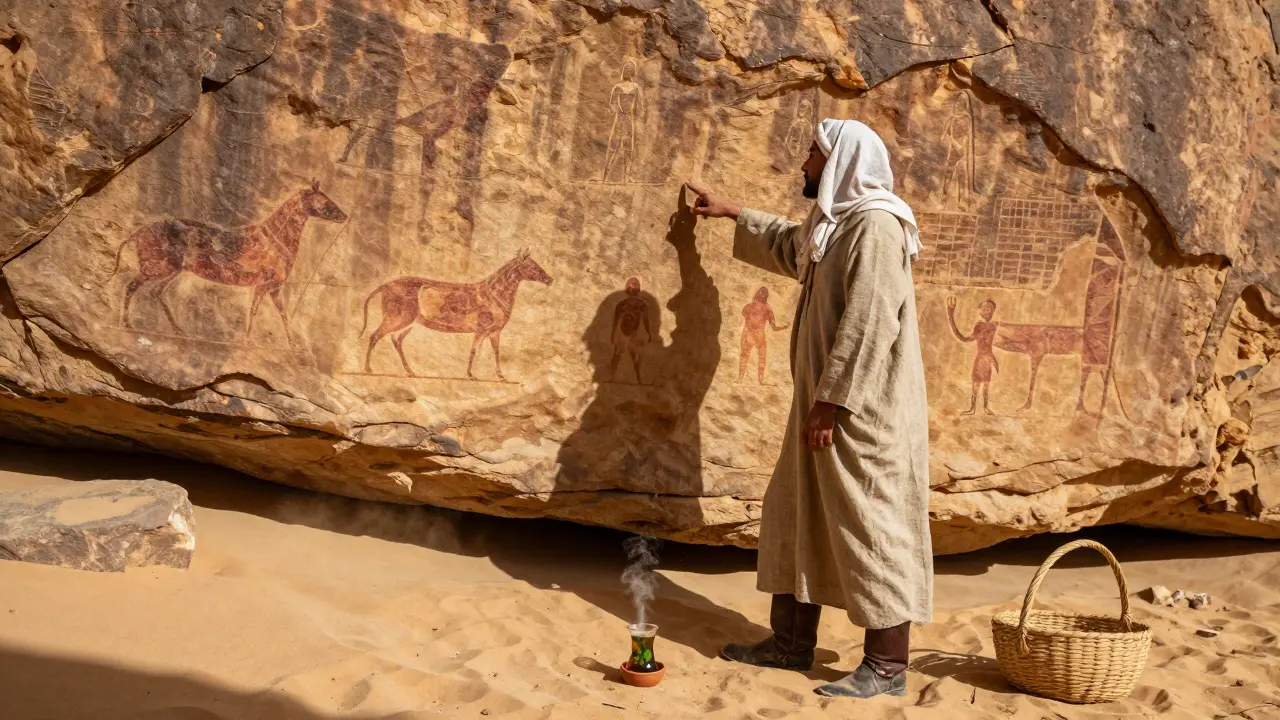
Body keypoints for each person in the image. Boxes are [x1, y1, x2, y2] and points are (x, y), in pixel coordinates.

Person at [686, 118, 933, 700]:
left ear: (841, 160)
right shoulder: (836, 224)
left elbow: (871, 321)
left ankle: (888, 666)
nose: (803, 163)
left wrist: (832, 402)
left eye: (813, 154)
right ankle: (790, 645)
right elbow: (790, 247)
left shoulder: (875, 226)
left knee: (871, 523)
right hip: (823, 407)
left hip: (857, 413)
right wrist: (731, 212)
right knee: (796, 512)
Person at [946, 297, 999, 415]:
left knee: (986, 384)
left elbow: (989, 346)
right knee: (976, 383)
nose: (987, 311)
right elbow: (964, 338)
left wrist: (993, 359)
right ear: (980, 311)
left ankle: (985, 408)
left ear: (993, 311)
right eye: (984, 309)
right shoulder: (979, 326)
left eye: (989, 309)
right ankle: (972, 408)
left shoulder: (994, 326)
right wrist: (950, 315)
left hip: (987, 360)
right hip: (981, 359)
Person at [739, 286, 789, 384]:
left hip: (748, 333)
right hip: (759, 335)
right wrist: (785, 327)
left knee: (744, 356)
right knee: (761, 358)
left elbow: (744, 315)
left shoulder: (748, 307)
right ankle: (760, 380)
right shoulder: (767, 308)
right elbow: (774, 327)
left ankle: (740, 378)